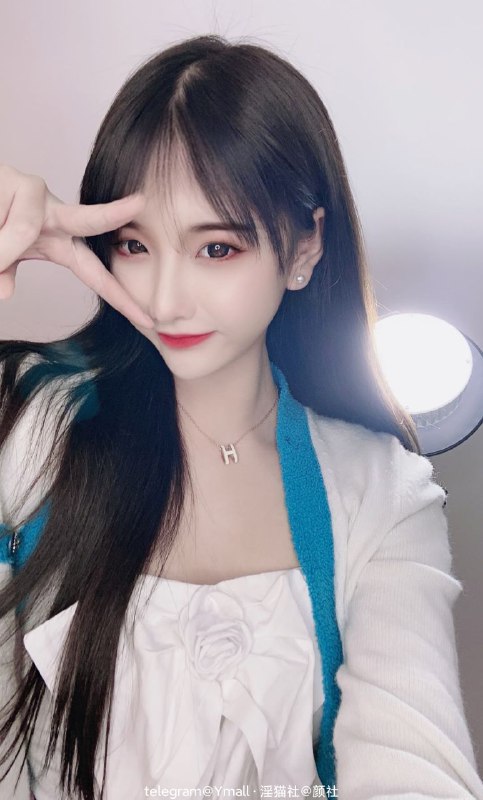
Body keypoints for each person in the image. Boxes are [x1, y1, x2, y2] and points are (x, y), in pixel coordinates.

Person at [0, 33, 481, 800]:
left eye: (216, 249)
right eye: (134, 245)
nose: (164, 300)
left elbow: (413, 769)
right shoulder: (29, 421)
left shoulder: (378, 493)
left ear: (303, 247)